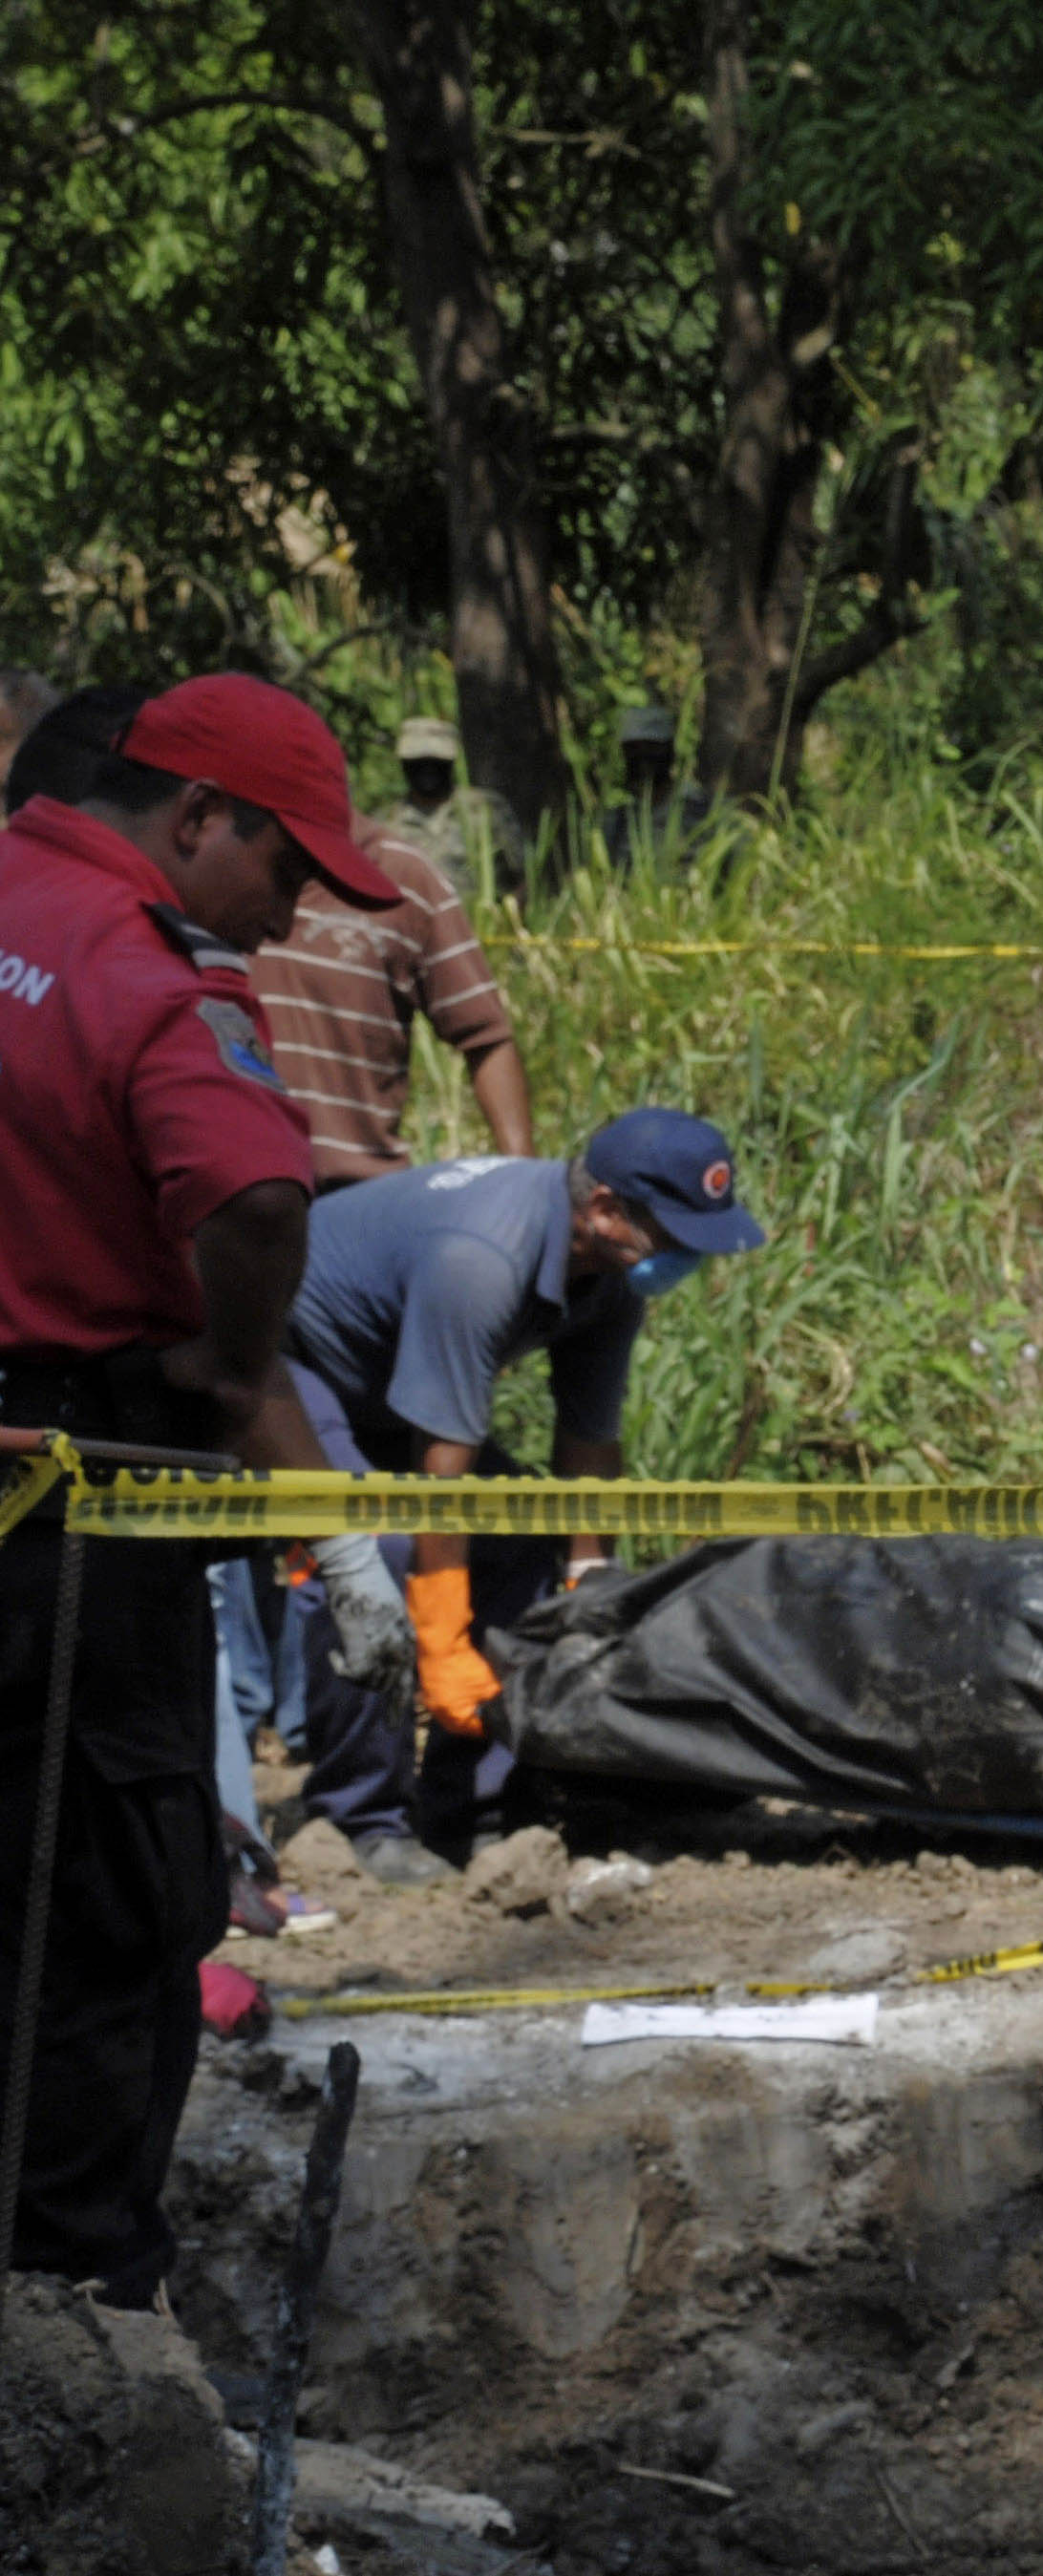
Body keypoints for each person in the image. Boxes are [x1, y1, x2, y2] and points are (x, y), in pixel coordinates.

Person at [0, 673, 413, 2299]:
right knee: (111, 1900)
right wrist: (239, 1375)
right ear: (196, 819)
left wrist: (327, 1527)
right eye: (289, 869)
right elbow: (249, 1192)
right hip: (74, 1498)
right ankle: (76, 2324)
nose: (297, 911)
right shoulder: (152, 970)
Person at [282, 1111, 767, 1883]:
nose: (685, 1259)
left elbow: (589, 1440)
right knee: (370, 1556)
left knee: (521, 1539)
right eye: (673, 1235)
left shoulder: (610, 1281)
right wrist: (440, 1637)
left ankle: (467, 1812)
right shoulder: (481, 1258)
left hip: (392, 1382)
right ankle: (360, 1820)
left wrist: (587, 1577)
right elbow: (443, 1475)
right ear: (605, 1210)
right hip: (293, 1360)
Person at [244, 797, 534, 1189]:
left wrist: (523, 1184)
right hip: (235, 1186)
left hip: (353, 1191)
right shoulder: (221, 860)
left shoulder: (403, 877)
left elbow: (485, 1034)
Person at [386, 715, 519, 903]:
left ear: (451, 763)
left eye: (436, 763)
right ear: (404, 764)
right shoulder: (387, 824)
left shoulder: (485, 810)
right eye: (418, 763)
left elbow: (519, 881)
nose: (427, 770)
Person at [595, 705, 712, 878]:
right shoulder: (615, 823)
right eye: (634, 748)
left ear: (670, 750)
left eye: (652, 747)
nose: (643, 757)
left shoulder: (702, 812)